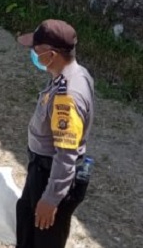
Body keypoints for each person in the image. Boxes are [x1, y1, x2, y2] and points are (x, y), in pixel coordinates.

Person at [15, 19, 95, 248]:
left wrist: (50, 199)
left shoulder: (67, 96)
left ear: (51, 55)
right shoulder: (73, 75)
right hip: (42, 170)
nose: (32, 54)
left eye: (36, 50)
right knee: (27, 226)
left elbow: (66, 154)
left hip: (51, 175)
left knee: (44, 239)